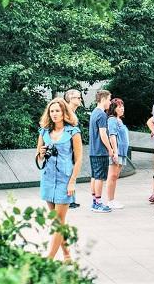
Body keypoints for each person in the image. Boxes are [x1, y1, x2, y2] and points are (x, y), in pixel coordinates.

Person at [36, 97, 82, 260]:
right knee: (56, 222)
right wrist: (41, 154)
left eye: (58, 110)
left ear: (64, 112)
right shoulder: (44, 131)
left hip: (65, 180)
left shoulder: (73, 132)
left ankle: (48, 259)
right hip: (48, 178)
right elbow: (39, 157)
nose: (54, 114)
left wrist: (72, 181)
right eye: (52, 111)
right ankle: (67, 255)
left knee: (58, 221)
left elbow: (78, 159)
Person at [87, 90, 116, 213]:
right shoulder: (102, 115)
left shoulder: (94, 113)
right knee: (99, 177)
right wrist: (110, 149)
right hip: (100, 151)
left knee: (94, 176)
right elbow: (103, 134)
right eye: (109, 99)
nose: (110, 102)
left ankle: (94, 201)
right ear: (103, 99)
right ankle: (98, 203)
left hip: (93, 151)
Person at [105, 98, 129, 209]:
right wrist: (115, 151)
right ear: (113, 108)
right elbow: (112, 135)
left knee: (115, 176)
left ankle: (112, 200)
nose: (122, 108)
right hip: (117, 152)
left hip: (122, 152)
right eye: (119, 107)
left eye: (122, 106)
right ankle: (109, 201)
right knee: (112, 176)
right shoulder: (112, 119)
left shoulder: (119, 120)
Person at [64, 89, 85, 209]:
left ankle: (71, 199)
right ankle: (68, 200)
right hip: (67, 148)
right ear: (70, 99)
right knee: (69, 172)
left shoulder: (72, 113)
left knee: (72, 170)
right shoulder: (66, 113)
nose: (80, 99)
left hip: (72, 147)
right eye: (77, 97)